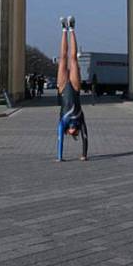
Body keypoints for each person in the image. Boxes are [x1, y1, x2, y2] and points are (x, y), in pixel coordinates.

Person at [56, 15, 88, 162]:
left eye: (70, 131)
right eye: (74, 131)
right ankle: (72, 28)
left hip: (62, 88)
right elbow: (86, 138)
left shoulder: (63, 123)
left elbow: (59, 140)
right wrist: (84, 155)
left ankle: (64, 29)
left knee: (63, 58)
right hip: (75, 88)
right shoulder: (80, 120)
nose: (72, 130)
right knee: (73, 58)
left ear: (68, 132)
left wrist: (59, 157)